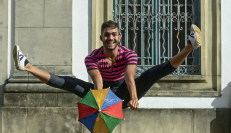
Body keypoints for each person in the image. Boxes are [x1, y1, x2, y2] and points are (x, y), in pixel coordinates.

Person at [13, 20, 201, 110]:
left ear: (119, 37)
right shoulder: (92, 57)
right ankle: (27, 66)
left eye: (114, 34)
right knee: (69, 82)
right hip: (102, 93)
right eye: (107, 34)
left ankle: (189, 46)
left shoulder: (129, 54)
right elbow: (98, 83)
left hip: (125, 93)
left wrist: (134, 98)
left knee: (152, 74)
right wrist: (100, 102)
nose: (110, 37)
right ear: (101, 37)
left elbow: (129, 79)